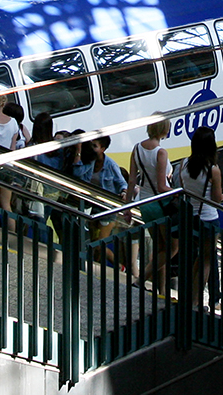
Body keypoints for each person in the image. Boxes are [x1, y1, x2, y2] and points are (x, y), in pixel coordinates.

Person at [180, 125, 223, 305]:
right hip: (208, 218)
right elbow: (216, 199)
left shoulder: (184, 163)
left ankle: (190, 295)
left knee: (197, 260)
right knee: (206, 261)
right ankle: (196, 302)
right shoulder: (213, 169)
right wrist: (221, 196)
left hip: (190, 216)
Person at [130, 117, 174, 290]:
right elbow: (162, 186)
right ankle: (140, 280)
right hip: (160, 205)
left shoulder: (137, 149)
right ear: (163, 129)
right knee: (171, 248)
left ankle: (160, 289)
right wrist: (180, 193)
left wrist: (128, 208)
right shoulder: (160, 152)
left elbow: (132, 180)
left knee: (160, 248)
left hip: (145, 204)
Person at [73, 134, 131, 266]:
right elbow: (77, 173)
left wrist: (123, 192)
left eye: (95, 146)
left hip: (108, 209)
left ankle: (119, 267)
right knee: (94, 241)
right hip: (92, 206)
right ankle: (96, 266)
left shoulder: (110, 165)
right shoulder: (89, 161)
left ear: (103, 148)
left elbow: (122, 183)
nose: (92, 148)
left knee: (99, 243)